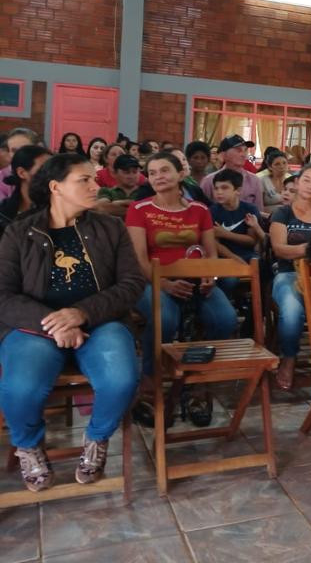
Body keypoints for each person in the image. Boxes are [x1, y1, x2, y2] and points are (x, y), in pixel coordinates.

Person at [0, 153, 144, 492]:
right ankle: (29, 446)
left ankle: (96, 438)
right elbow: (3, 295)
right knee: (21, 388)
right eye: (85, 180)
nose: (97, 186)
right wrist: (54, 322)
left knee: (121, 380)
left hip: (101, 321)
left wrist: (81, 314)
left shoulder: (111, 228)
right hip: (34, 327)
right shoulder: (19, 233)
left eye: (95, 179)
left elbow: (131, 284)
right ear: (55, 187)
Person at [126, 152, 237, 426]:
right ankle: (150, 386)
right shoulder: (139, 210)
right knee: (165, 319)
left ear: (180, 174)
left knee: (226, 320)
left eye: (165, 170)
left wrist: (210, 275)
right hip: (153, 280)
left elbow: (211, 253)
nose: (158, 177)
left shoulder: (199, 210)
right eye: (152, 173)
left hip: (195, 280)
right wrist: (164, 283)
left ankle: (198, 384)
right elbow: (138, 260)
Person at [269, 165, 311, 390]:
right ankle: (289, 358)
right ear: (298, 182)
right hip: (287, 273)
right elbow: (279, 249)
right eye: (307, 180)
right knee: (292, 310)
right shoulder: (283, 213)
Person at [210, 168, 263, 272]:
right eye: (216, 188)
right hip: (224, 258)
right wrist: (235, 260)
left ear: (238, 191)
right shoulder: (211, 211)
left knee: (261, 267)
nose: (219, 192)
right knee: (229, 281)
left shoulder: (249, 209)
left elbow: (252, 241)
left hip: (249, 256)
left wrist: (225, 234)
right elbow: (215, 244)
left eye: (224, 188)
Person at [200, 135, 265, 214]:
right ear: (223, 155)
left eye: (245, 150)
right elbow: (201, 211)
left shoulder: (254, 180)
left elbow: (259, 212)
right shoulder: (209, 181)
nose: (243, 154)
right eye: (238, 150)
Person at [0, 145, 53, 237]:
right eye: (43, 169)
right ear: (22, 173)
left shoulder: (58, 212)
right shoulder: (3, 214)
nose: (52, 175)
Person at [0, 128, 38, 200]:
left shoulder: (48, 172)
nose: (19, 154)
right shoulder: (2, 177)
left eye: (25, 149)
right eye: (14, 150)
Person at [261, 150, 290, 214]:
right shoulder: (263, 181)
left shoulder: (291, 181)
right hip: (266, 218)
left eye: (284, 163)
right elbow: (258, 207)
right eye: (277, 164)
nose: (282, 166)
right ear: (270, 167)